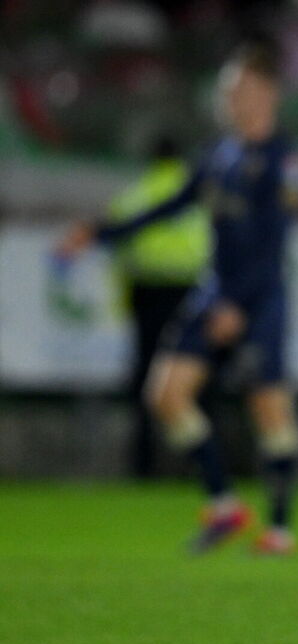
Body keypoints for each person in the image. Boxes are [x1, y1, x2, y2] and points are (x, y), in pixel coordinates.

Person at [58, 40, 298, 554]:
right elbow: (170, 205)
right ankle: (224, 506)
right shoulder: (218, 153)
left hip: (257, 298)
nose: (230, 98)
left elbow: (274, 241)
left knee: (269, 412)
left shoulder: (283, 159)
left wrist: (238, 303)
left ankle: (280, 529)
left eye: (239, 88)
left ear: (267, 93)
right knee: (165, 394)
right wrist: (100, 232)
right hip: (214, 292)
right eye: (227, 89)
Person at [106, 132, 211, 478]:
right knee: (198, 380)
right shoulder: (205, 194)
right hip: (193, 292)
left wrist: (124, 301)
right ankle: (201, 467)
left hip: (148, 292)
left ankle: (144, 465)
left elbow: (119, 248)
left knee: (148, 381)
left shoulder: (134, 195)